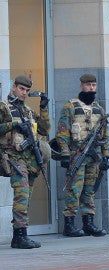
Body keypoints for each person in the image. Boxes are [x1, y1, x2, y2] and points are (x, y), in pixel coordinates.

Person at [56, 73, 109, 237]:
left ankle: (88, 223)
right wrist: (65, 153)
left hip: (94, 157)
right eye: (88, 85)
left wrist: (106, 156)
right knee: (74, 189)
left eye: (93, 85)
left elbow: (105, 135)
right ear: (81, 86)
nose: (91, 88)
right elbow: (63, 132)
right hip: (77, 154)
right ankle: (69, 224)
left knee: (89, 190)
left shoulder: (99, 109)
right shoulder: (71, 106)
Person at [0, 75, 50, 249]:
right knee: (22, 195)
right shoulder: (4, 107)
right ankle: (19, 236)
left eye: (27, 91)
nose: (24, 93)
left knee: (26, 197)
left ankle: (21, 234)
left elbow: (44, 129)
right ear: (14, 87)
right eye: (21, 89)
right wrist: (13, 125)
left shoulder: (28, 110)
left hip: (29, 159)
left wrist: (43, 109)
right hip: (13, 157)